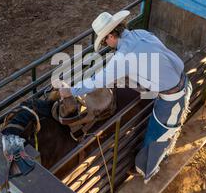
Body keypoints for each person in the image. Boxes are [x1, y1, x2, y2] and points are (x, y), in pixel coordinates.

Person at [59, 11, 193, 183]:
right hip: (181, 80)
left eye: (105, 40)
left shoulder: (122, 57)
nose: (106, 44)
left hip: (172, 98)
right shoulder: (141, 33)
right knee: (164, 129)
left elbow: (98, 80)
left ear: (111, 35)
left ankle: (148, 169)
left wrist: (70, 91)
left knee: (157, 136)